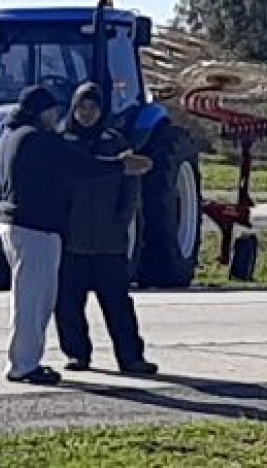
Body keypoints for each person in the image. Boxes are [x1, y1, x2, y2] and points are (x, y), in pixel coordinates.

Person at [0, 85, 152, 385]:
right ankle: (24, 365)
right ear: (41, 111)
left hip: (16, 224)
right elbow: (81, 166)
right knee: (35, 301)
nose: (57, 115)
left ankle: (25, 361)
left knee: (29, 298)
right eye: (53, 109)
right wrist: (122, 165)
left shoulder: (9, 136)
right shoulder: (39, 140)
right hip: (37, 228)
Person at [55, 83, 157, 375]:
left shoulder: (114, 143)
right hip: (72, 242)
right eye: (82, 107)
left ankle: (131, 358)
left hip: (108, 241)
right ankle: (77, 354)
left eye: (93, 108)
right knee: (69, 305)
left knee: (118, 305)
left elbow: (131, 187)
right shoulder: (63, 143)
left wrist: (120, 222)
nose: (87, 114)